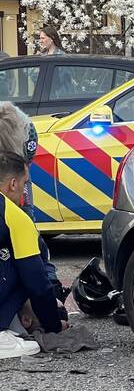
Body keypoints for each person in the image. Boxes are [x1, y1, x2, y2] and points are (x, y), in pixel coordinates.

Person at [0, 152, 64, 359]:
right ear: (13, 184)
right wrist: (53, 325)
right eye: (24, 183)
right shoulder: (14, 216)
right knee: (24, 268)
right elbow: (37, 284)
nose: (24, 191)